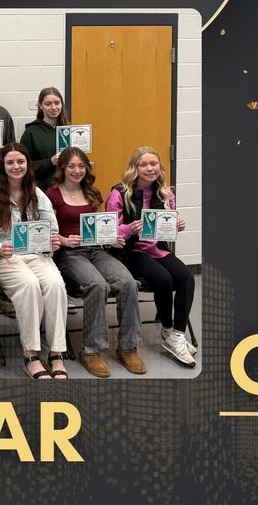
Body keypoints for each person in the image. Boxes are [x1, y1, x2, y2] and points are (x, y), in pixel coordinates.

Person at [47, 147, 145, 377]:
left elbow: (102, 228)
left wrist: (114, 238)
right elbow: (46, 232)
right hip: (68, 253)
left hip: (96, 250)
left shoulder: (93, 193)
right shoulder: (51, 195)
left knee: (129, 283)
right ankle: (91, 350)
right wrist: (63, 239)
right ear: (62, 168)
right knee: (97, 285)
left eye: (81, 166)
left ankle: (128, 347)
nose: (77, 170)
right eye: (71, 166)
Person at [0, 143, 68, 379]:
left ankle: (56, 353)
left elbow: (52, 230)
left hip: (36, 255)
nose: (16, 166)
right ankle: (30, 355)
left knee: (55, 284)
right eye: (10, 162)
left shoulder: (39, 195)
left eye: (20, 162)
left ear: (27, 164)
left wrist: (52, 242)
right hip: (4, 257)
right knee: (29, 285)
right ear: (2, 165)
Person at [107, 146, 196, 368]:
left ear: (160, 167)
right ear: (134, 168)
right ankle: (167, 329)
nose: (149, 168)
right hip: (131, 251)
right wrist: (129, 229)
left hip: (157, 248)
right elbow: (110, 232)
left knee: (186, 277)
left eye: (153, 164)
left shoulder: (165, 193)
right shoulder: (119, 193)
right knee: (163, 279)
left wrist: (177, 225)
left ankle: (176, 334)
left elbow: (165, 226)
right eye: (143, 164)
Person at [20, 87, 70, 189]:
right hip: (42, 189)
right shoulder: (31, 132)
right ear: (40, 106)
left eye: (57, 103)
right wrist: (50, 162)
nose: (53, 107)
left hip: (67, 187)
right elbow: (23, 165)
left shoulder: (69, 131)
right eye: (48, 104)